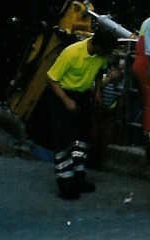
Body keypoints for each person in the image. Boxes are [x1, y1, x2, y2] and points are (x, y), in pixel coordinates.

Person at [46, 27, 121, 199]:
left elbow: (99, 72)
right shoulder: (71, 53)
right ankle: (65, 182)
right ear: (98, 45)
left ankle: (78, 177)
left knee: (81, 139)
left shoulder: (100, 56)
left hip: (83, 96)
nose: (107, 54)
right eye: (106, 50)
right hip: (64, 95)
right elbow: (51, 78)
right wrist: (67, 101)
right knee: (63, 140)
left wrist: (97, 92)